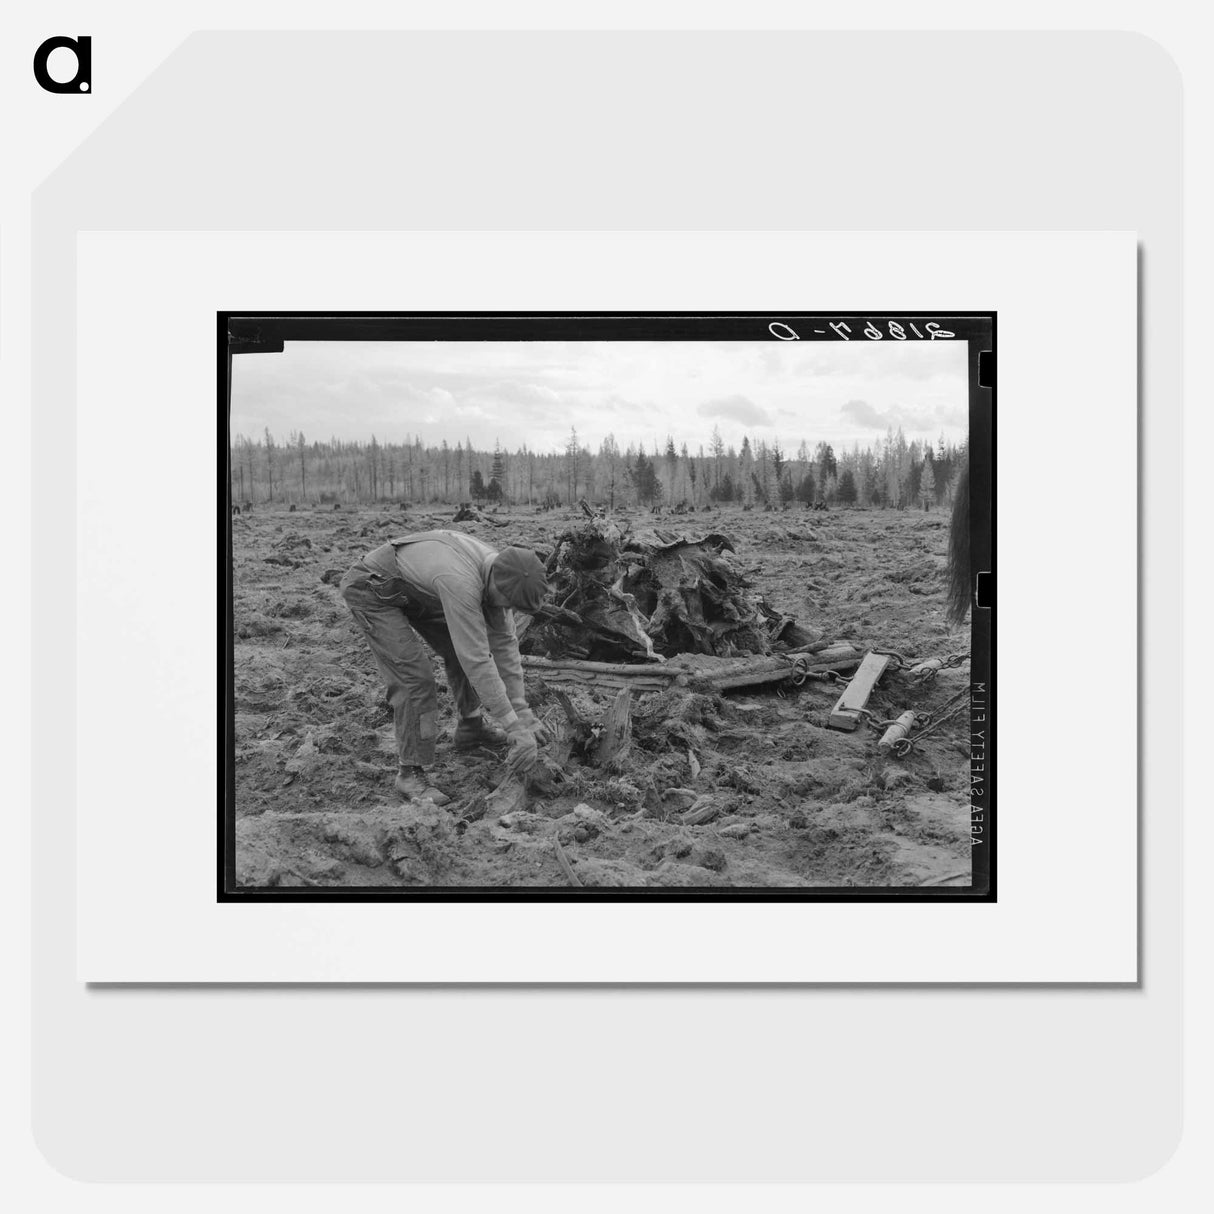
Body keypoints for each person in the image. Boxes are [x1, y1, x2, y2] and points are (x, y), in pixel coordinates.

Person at [339, 530, 552, 803]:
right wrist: (513, 727)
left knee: (458, 649)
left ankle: (471, 728)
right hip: (371, 588)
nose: (508, 610)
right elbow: (476, 659)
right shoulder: (461, 582)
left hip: (415, 589)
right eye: (509, 603)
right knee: (415, 679)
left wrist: (522, 714)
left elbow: (505, 649)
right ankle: (409, 773)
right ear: (498, 585)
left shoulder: (498, 573)